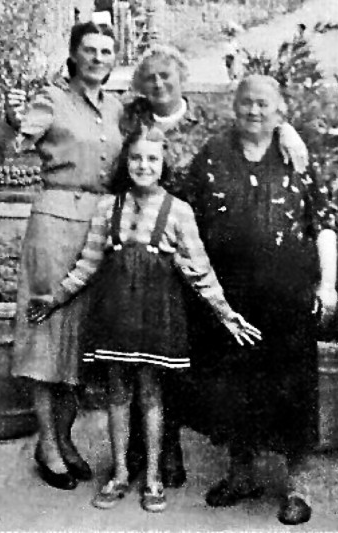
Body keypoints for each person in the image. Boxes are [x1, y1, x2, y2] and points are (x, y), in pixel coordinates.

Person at [27, 126, 262, 513]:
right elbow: (88, 264)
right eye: (136, 158)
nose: (143, 165)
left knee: (151, 392)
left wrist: (225, 313)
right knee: (117, 392)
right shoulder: (108, 207)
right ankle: (119, 472)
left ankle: (153, 476)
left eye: (152, 159)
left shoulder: (178, 210)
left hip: (156, 314)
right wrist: (55, 298)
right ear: (126, 162)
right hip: (116, 313)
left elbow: (199, 269)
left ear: (163, 163)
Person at [118, 44, 311, 489]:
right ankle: (151, 451)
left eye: (166, 75)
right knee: (145, 353)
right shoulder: (128, 121)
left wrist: (285, 128)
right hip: (146, 245)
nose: (159, 84)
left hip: (195, 255)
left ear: (182, 78)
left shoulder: (206, 125)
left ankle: (181, 450)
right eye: (150, 77)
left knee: (186, 358)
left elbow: (256, 121)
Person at [181, 75, 338, 525]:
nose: (254, 110)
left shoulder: (296, 156)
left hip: (288, 295)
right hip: (231, 297)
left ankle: (297, 486)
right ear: (234, 106)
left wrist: (327, 285)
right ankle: (241, 473)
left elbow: (323, 223)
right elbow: (186, 219)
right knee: (234, 385)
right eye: (246, 102)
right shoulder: (213, 154)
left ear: (279, 109)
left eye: (264, 104)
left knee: (293, 387)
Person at [0, 21, 123, 491]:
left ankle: (65, 439)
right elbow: (2, 150)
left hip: (101, 227)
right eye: (90, 49)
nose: (98, 58)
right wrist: (9, 121)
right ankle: (47, 443)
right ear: (74, 55)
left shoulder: (117, 107)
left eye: (106, 51)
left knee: (80, 340)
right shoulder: (51, 98)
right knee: (47, 334)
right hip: (56, 225)